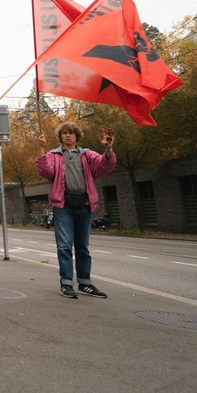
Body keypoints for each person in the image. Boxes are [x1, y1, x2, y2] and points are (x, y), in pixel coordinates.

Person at [35, 122, 116, 299]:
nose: (68, 136)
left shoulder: (87, 155)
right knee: (64, 246)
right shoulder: (54, 155)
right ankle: (66, 283)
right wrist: (41, 149)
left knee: (82, 247)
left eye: (71, 133)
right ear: (60, 136)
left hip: (85, 205)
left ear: (76, 136)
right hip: (63, 206)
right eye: (64, 133)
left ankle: (85, 283)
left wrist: (108, 149)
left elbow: (104, 166)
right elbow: (45, 171)